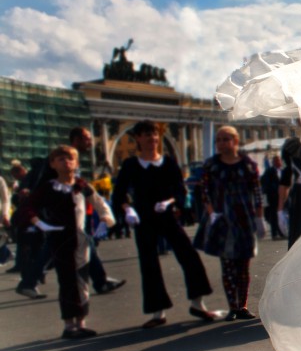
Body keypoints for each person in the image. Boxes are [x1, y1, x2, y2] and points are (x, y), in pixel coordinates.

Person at [112, 120, 216, 328]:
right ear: (138, 138)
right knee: (149, 263)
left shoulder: (168, 163)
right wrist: (128, 210)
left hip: (166, 214)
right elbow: (119, 195)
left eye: (155, 135)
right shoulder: (131, 165)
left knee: (189, 255)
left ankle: (198, 303)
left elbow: (179, 190)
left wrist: (169, 201)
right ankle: (157, 312)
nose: (152, 139)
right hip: (143, 217)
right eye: (147, 135)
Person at [15, 127, 126, 296]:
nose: (90, 142)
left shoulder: (70, 159)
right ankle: (98, 282)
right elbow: (42, 183)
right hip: (56, 210)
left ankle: (30, 282)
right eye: (87, 138)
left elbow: (88, 191)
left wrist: (105, 216)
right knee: (60, 244)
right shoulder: (61, 157)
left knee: (67, 243)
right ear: (76, 139)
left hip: (67, 211)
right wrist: (39, 212)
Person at [21, 145, 115, 338]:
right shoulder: (48, 187)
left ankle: (81, 321)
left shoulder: (81, 185)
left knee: (82, 280)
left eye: (70, 158)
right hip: (60, 239)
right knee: (66, 281)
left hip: (80, 240)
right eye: (61, 159)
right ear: (53, 164)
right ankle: (68, 324)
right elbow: (29, 206)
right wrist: (39, 223)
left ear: (77, 162)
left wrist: (106, 220)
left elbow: (99, 203)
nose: (67, 162)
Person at [195, 126, 266, 321]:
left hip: (244, 219)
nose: (221, 143)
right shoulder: (211, 165)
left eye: (226, 139)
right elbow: (205, 192)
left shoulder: (248, 165)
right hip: (222, 221)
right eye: (218, 140)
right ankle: (232, 307)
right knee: (227, 265)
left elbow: (257, 193)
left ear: (235, 141)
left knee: (243, 266)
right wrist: (211, 213)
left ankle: (242, 305)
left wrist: (259, 218)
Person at [260, 155, 285, 240]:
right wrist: (273, 189)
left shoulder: (283, 171)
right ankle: (274, 234)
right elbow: (265, 182)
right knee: (274, 216)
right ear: (273, 162)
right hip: (273, 197)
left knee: (281, 215)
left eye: (279, 160)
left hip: (282, 197)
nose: (278, 162)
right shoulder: (269, 171)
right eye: (276, 161)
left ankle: (282, 232)